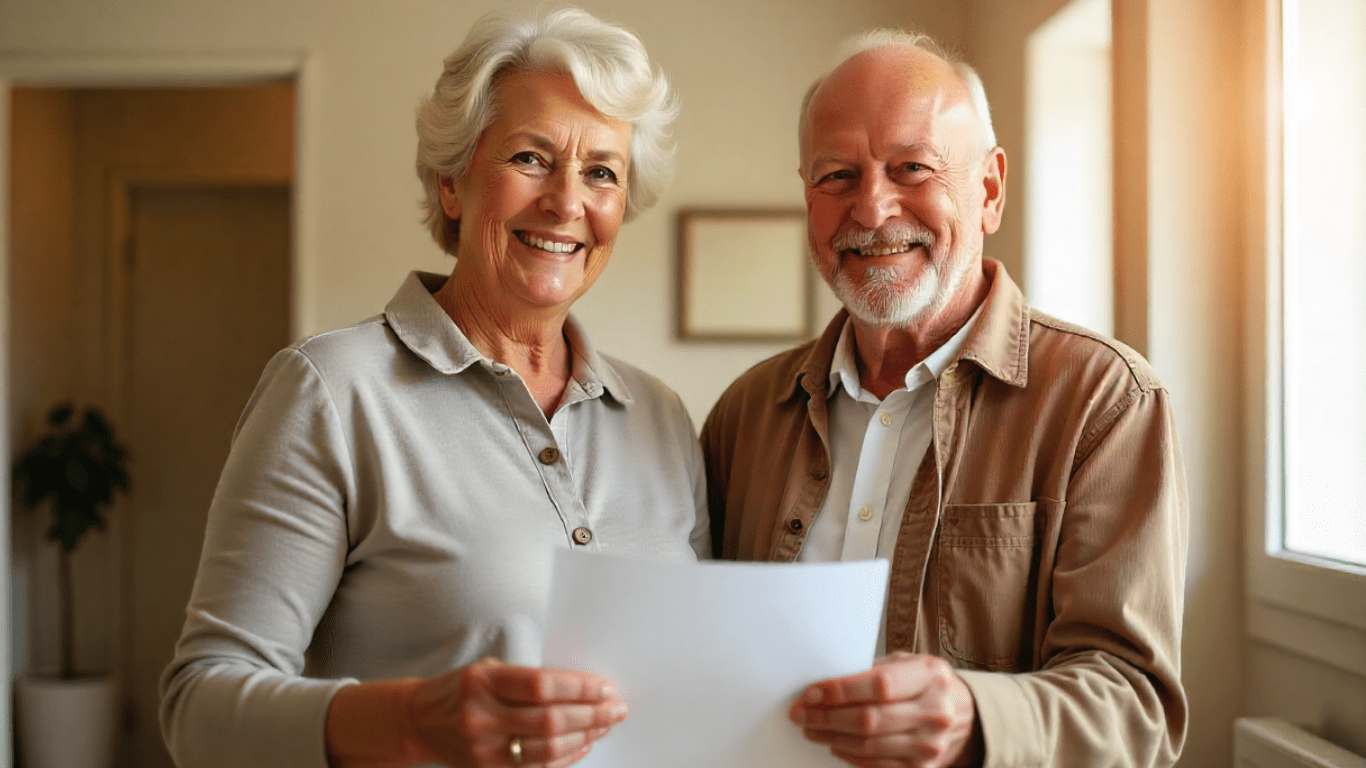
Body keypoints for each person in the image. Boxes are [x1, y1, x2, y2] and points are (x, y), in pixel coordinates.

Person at [160, 8, 708, 768]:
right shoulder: (331, 391)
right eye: (530, 157)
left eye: (602, 172)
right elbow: (198, 709)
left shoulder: (662, 418)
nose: (566, 201)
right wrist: (414, 721)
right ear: (452, 181)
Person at [701, 29, 1188, 768]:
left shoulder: (1105, 404)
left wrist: (973, 716)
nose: (870, 208)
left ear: (989, 190)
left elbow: (1135, 706)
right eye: (837, 176)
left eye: (912, 168)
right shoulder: (743, 415)